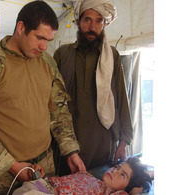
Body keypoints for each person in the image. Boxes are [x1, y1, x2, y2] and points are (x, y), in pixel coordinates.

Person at [0, 1, 86, 194]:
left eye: (49, 40)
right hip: (4, 173)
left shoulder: (47, 63)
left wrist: (70, 150)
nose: (44, 46)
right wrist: (12, 165)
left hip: (44, 166)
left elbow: (59, 110)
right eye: (39, 37)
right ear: (21, 27)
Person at [53, 0, 133, 174]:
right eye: (87, 20)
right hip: (69, 143)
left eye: (98, 21)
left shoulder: (112, 55)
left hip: (102, 143)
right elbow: (51, 102)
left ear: (104, 24)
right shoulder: (62, 54)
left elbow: (122, 97)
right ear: (78, 22)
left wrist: (124, 142)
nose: (92, 26)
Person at [13, 157, 152, 195]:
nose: (115, 171)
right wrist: (39, 175)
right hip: (39, 186)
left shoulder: (109, 192)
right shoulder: (85, 174)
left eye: (123, 175)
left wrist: (135, 188)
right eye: (116, 167)